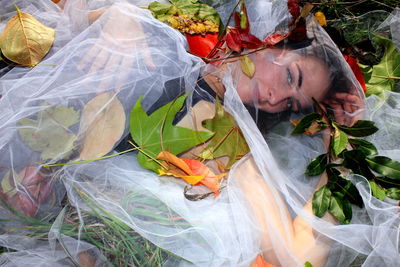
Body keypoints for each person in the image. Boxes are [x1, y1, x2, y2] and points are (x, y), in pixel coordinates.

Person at [0, 1, 398, 267]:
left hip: (40, 202)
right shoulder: (171, 41)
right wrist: (116, 18)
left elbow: (294, 255)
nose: (277, 97)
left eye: (293, 105)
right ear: (271, 44)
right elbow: (68, 20)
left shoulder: (233, 147)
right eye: (289, 75)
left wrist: (338, 163)